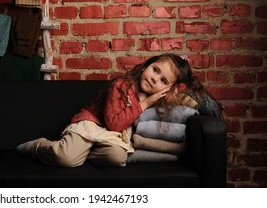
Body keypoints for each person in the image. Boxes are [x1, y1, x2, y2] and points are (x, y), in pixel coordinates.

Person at [16, 53, 221, 167]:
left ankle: (79, 151)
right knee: (66, 159)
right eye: (155, 69)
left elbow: (189, 98)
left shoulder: (161, 98)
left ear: (168, 88)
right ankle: (38, 146)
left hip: (112, 137)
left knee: (117, 158)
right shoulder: (121, 85)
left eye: (163, 80)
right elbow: (114, 122)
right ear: (146, 65)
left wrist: (181, 92)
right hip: (92, 125)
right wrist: (145, 104)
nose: (154, 78)